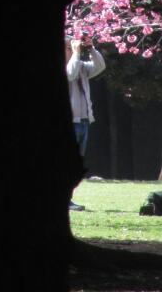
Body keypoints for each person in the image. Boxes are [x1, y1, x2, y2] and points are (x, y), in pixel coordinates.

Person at [66, 36, 106, 211]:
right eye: (68, 46)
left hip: (83, 121)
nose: (72, 48)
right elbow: (70, 74)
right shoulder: (71, 66)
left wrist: (90, 48)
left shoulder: (80, 66)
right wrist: (75, 53)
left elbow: (99, 66)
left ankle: (68, 198)